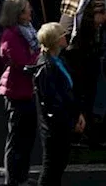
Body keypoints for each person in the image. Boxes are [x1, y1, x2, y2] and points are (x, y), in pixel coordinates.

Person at [31, 22, 85, 186]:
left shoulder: (59, 61)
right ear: (56, 40)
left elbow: (69, 91)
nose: (65, 36)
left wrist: (77, 114)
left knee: (59, 166)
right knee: (51, 167)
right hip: (54, 126)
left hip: (65, 122)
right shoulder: (45, 66)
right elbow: (52, 101)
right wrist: (69, 121)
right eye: (62, 34)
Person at [0, 0, 40, 186]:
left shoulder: (28, 31)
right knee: (16, 140)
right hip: (17, 91)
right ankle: (12, 179)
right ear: (18, 14)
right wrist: (41, 54)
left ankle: (22, 175)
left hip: (29, 90)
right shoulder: (10, 36)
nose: (30, 11)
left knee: (28, 138)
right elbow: (22, 63)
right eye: (26, 9)